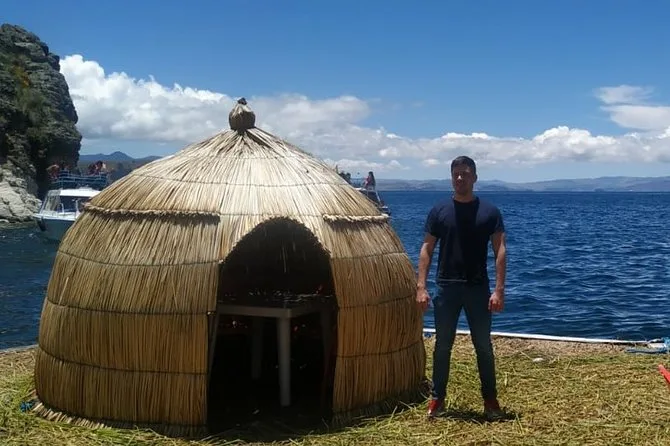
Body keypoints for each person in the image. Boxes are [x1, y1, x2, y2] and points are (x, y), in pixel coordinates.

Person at [416, 155, 507, 421]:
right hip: (446, 288)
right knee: (442, 346)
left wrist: (499, 290)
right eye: (456, 174)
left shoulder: (489, 212)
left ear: (474, 178)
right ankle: (437, 399)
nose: (460, 178)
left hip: (478, 288)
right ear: (451, 178)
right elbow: (426, 249)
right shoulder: (439, 211)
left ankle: (490, 401)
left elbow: (500, 250)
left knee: (483, 347)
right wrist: (421, 287)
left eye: (465, 173)